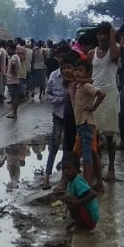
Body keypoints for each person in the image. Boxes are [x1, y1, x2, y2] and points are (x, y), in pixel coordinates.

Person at [89, 22, 120, 181]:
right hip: (95, 93)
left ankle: (111, 168)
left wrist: (113, 37)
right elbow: (89, 74)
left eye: (105, 34)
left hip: (109, 94)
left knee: (109, 134)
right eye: (99, 34)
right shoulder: (91, 53)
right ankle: (97, 165)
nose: (102, 37)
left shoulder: (115, 49)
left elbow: (114, 57)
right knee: (94, 133)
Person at [72, 59, 105, 190]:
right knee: (87, 152)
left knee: (87, 154)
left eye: (80, 70)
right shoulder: (81, 85)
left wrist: (94, 107)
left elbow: (101, 94)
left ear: (87, 72)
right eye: (76, 70)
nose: (77, 73)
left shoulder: (86, 86)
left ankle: (87, 183)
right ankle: (88, 182)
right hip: (82, 122)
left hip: (86, 123)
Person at [44, 51, 71, 185]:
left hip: (71, 115)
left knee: (67, 146)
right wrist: (61, 99)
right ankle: (47, 175)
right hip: (58, 114)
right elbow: (48, 95)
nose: (65, 69)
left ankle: (65, 177)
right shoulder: (53, 76)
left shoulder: (74, 77)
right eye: (59, 58)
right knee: (54, 143)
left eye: (67, 65)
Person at [60, 152, 99, 231]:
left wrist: (78, 202)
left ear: (77, 169)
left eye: (68, 168)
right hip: (89, 217)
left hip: (91, 219)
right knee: (69, 199)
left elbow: (93, 194)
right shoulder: (72, 182)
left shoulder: (77, 182)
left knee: (72, 203)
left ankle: (80, 224)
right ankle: (79, 221)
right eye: (63, 169)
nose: (65, 171)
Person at [6, 43, 24, 119]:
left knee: (14, 96)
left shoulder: (13, 57)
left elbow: (13, 65)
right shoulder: (16, 56)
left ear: (12, 49)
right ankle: (14, 113)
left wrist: (13, 74)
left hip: (13, 80)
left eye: (8, 49)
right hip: (16, 79)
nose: (7, 50)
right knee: (15, 96)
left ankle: (14, 113)